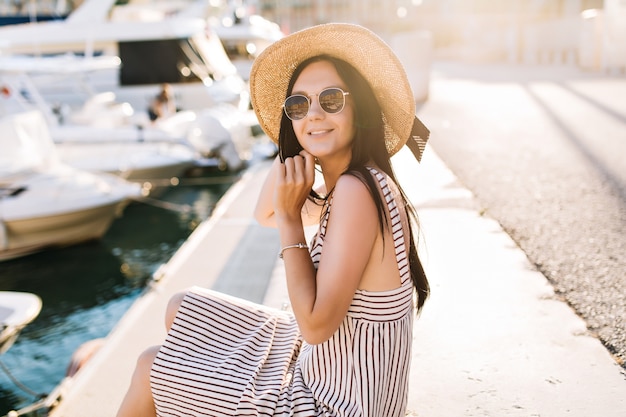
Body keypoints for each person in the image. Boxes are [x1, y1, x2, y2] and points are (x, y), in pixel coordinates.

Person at [116, 23, 430, 417]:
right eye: (299, 105)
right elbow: (262, 213)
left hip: (333, 402)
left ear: (360, 108)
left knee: (150, 366)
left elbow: (315, 324)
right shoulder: (354, 184)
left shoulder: (356, 191)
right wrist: (296, 155)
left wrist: (291, 218)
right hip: (325, 365)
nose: (314, 114)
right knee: (181, 307)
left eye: (330, 100)